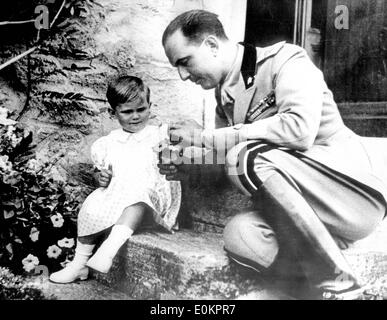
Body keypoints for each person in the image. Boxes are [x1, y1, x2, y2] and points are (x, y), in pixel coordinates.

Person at [159, 9, 387, 299]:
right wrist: (189, 164)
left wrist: (206, 137)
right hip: (306, 215)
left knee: (246, 156)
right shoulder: (223, 95)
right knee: (241, 236)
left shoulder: (287, 59)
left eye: (184, 62)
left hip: (350, 195)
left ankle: (340, 283)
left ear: (212, 46)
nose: (181, 75)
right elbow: (233, 166)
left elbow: (299, 129)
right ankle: (317, 291)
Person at [50, 76, 181, 283]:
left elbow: (175, 160)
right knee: (91, 205)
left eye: (141, 109)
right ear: (113, 113)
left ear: (150, 106)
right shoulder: (108, 143)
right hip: (118, 196)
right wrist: (100, 178)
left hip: (152, 198)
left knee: (137, 197)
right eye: (127, 112)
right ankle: (79, 264)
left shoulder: (158, 136)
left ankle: (108, 251)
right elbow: (99, 171)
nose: (136, 116)